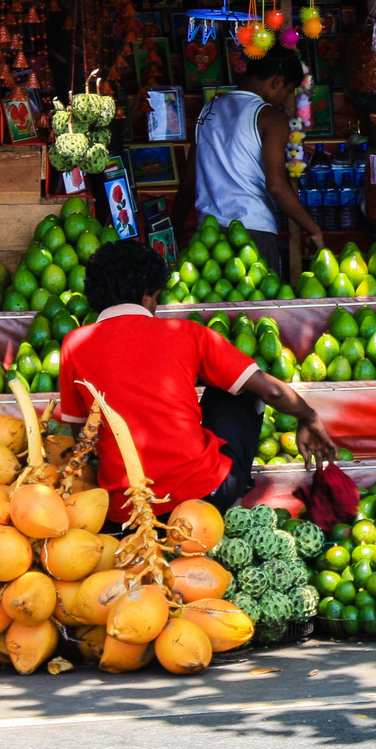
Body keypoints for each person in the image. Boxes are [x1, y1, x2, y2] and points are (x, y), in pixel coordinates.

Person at [57, 240, 336, 520]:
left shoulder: (74, 344)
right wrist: (309, 418)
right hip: (202, 497)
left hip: (126, 510)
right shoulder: (186, 332)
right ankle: (230, 491)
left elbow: (83, 436)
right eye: (156, 298)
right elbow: (272, 392)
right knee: (241, 388)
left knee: (230, 382)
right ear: (146, 296)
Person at [193, 43, 324, 274]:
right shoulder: (270, 118)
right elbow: (276, 186)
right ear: (277, 81)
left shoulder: (208, 110)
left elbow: (187, 184)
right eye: (287, 90)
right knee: (257, 307)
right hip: (253, 231)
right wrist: (313, 229)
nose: (284, 99)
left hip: (209, 234)